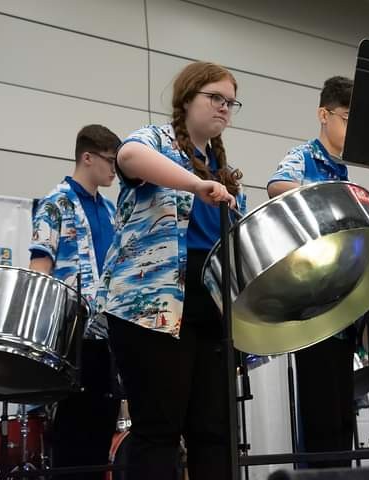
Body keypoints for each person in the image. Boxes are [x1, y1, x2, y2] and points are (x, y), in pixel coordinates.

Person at [99, 61, 246, 479]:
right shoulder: (156, 139)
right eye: (214, 98)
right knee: (159, 430)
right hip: (152, 303)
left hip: (211, 301)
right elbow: (128, 156)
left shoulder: (223, 168)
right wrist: (195, 184)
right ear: (187, 99)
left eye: (230, 102)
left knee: (214, 431)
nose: (224, 108)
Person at [267, 76, 356, 467]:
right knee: (319, 409)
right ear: (324, 115)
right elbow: (276, 185)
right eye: (348, 118)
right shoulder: (305, 156)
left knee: (343, 410)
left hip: (341, 299)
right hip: (311, 300)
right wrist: (329, 204)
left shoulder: (343, 169)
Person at [29, 124, 121, 478]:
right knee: (72, 438)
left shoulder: (111, 210)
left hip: (106, 335)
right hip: (70, 337)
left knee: (100, 435)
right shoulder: (55, 204)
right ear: (87, 157)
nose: (115, 170)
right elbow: (39, 270)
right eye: (110, 161)